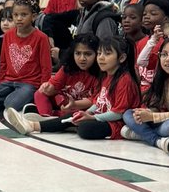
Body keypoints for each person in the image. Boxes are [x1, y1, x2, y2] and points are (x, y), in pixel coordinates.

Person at [8, 36, 139, 140]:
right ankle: (32, 125)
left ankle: (58, 121)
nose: (101, 58)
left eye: (107, 54)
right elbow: (98, 102)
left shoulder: (124, 80)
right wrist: (88, 113)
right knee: (76, 116)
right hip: (100, 116)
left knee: (84, 129)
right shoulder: (106, 76)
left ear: (121, 58)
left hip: (116, 123)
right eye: (99, 53)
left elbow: (118, 113)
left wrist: (92, 117)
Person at [0, 0, 51, 112]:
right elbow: (3, 61)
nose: (19, 18)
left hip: (30, 83)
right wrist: (2, 80)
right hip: (9, 81)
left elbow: (46, 66)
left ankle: (26, 98)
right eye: (16, 15)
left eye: (24, 15)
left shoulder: (41, 38)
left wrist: (42, 90)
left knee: (11, 105)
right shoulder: (8, 35)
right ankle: (16, 96)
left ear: (33, 17)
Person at [31, 33, 99, 119]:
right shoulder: (67, 68)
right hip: (63, 101)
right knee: (39, 93)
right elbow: (54, 85)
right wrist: (47, 87)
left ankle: (49, 115)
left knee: (84, 112)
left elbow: (95, 101)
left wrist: (74, 104)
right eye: (78, 53)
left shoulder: (100, 74)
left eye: (88, 54)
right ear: (72, 54)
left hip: (82, 107)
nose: (82, 58)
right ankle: (47, 117)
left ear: (97, 54)